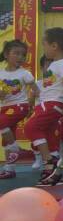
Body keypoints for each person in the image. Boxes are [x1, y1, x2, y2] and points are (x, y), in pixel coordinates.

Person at [24, 28, 63, 186]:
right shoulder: (54, 65)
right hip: (48, 104)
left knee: (30, 127)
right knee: (49, 137)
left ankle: (49, 162)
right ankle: (54, 175)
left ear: (54, 46)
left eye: (44, 44)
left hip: (52, 104)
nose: (43, 47)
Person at [0, 40, 35, 179]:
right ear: (6, 55)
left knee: (1, 125)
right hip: (5, 107)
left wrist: (33, 103)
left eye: (23, 54)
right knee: (7, 139)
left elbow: (36, 90)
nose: (20, 57)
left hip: (19, 106)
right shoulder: (1, 73)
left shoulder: (24, 73)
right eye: (16, 53)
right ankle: (10, 169)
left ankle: (17, 148)